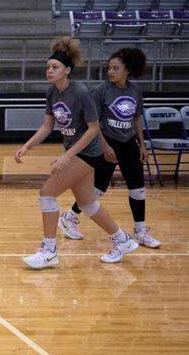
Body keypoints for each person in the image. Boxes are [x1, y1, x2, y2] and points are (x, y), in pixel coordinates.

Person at [15, 37, 139, 270]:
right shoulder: (52, 93)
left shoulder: (81, 92)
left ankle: (49, 251)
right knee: (87, 203)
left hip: (88, 153)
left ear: (67, 70)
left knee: (47, 193)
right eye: (48, 67)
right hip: (76, 152)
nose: (49, 71)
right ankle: (122, 240)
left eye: (55, 67)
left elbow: (93, 129)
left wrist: (68, 155)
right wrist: (27, 146)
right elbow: (47, 126)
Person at [57, 48, 160, 248]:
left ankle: (140, 231)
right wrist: (104, 146)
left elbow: (136, 119)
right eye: (109, 68)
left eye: (115, 68)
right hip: (106, 142)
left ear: (127, 70)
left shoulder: (135, 91)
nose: (111, 71)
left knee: (138, 188)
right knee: (97, 189)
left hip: (129, 142)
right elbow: (92, 122)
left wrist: (142, 144)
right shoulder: (100, 90)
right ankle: (69, 217)